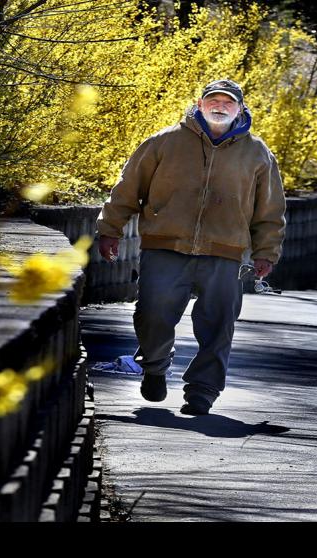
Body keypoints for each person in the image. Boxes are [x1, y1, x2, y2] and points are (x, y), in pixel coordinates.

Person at [95, 78, 287, 415]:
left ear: (240, 109)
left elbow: (269, 209)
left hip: (225, 252)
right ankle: (154, 366)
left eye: (228, 103)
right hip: (164, 245)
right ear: (199, 104)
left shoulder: (257, 153)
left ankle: (203, 390)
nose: (220, 107)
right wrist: (109, 229)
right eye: (213, 100)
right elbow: (127, 188)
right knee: (151, 314)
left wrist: (265, 253)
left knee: (218, 326)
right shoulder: (164, 141)